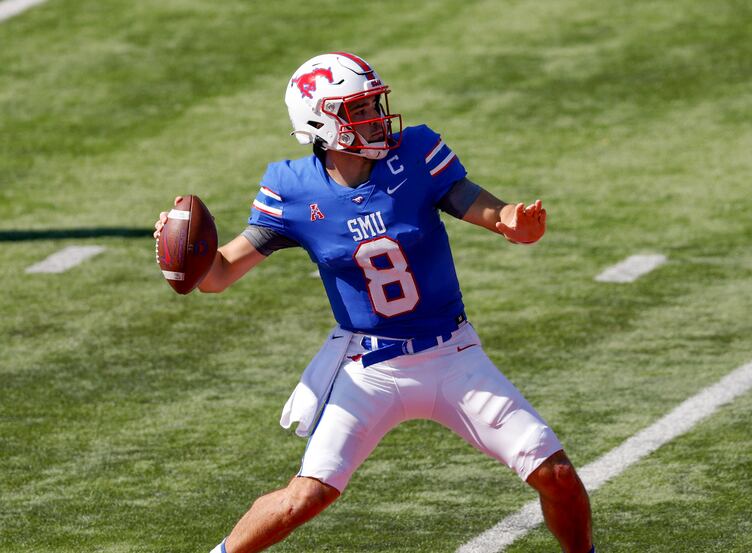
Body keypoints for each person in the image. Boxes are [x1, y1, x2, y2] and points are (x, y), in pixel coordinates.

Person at [154, 51, 594, 553]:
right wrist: (183, 251)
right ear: (320, 121)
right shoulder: (293, 190)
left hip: (452, 353)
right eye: (358, 110)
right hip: (369, 367)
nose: (375, 117)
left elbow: (488, 210)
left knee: (556, 475)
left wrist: (514, 220)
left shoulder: (416, 154)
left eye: (373, 104)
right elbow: (218, 275)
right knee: (305, 498)